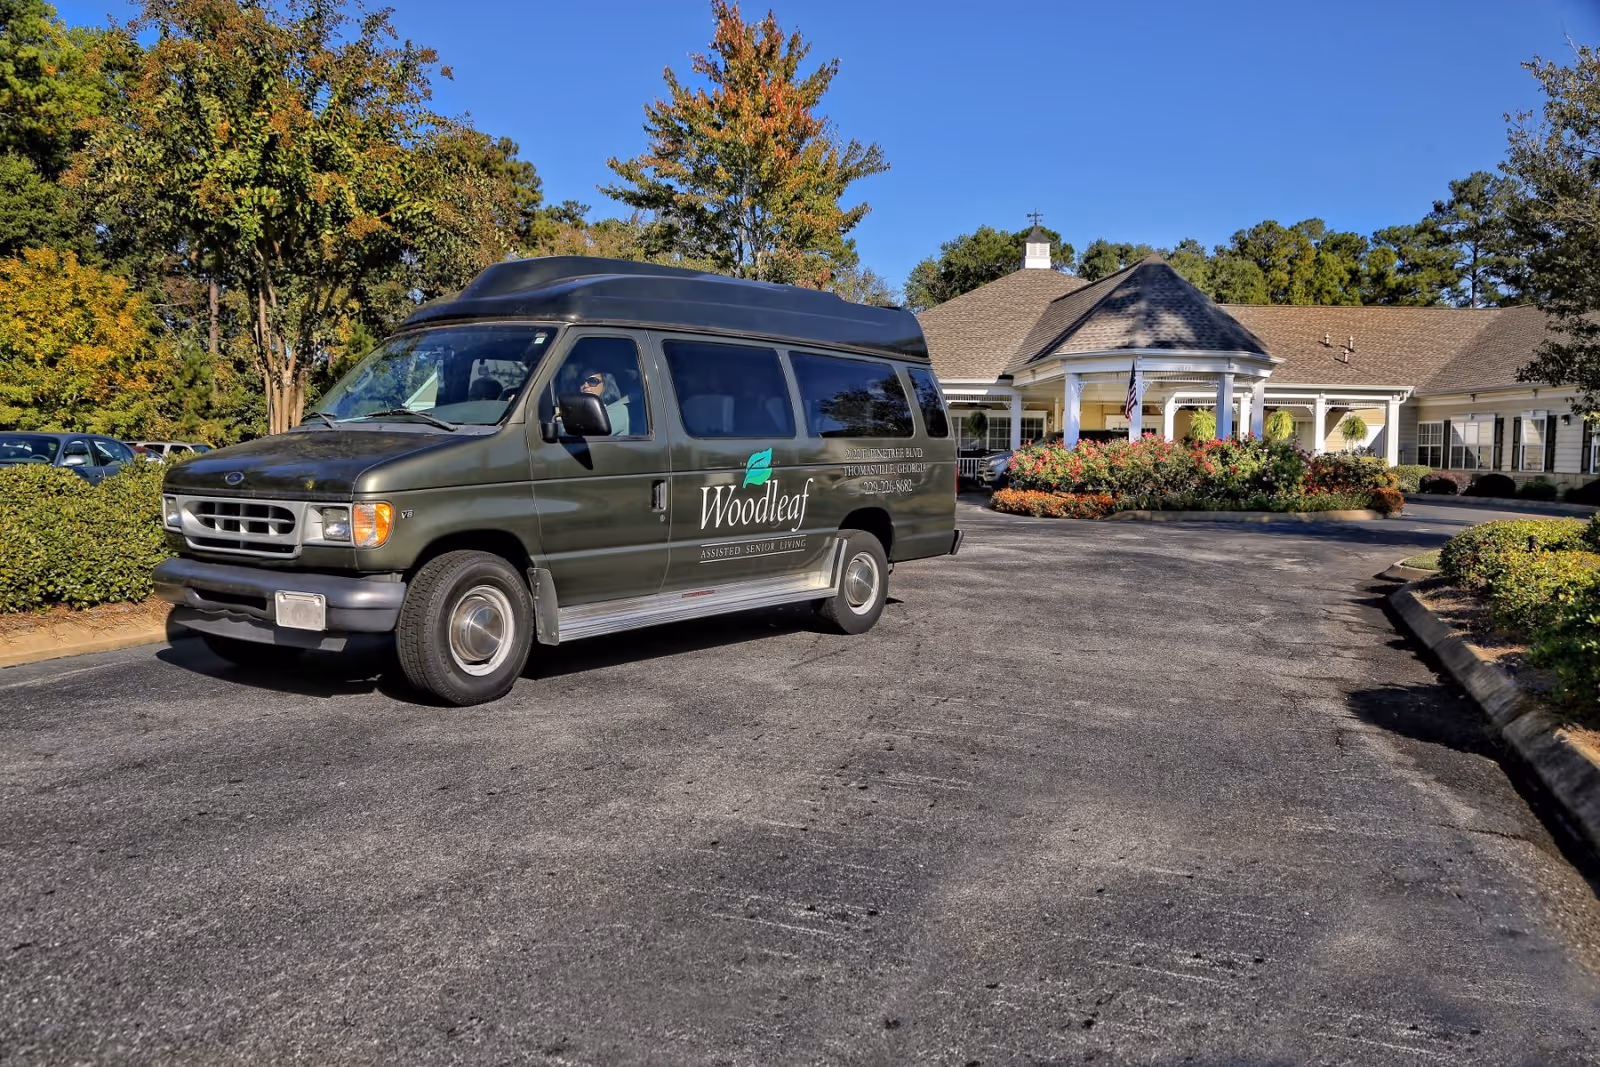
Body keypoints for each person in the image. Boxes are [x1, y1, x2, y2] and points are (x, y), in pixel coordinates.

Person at [578, 368, 630, 436]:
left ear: (605, 384)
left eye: (592, 381)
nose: (585, 385)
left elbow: (590, 434)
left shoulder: (619, 410)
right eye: (581, 382)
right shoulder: (583, 410)